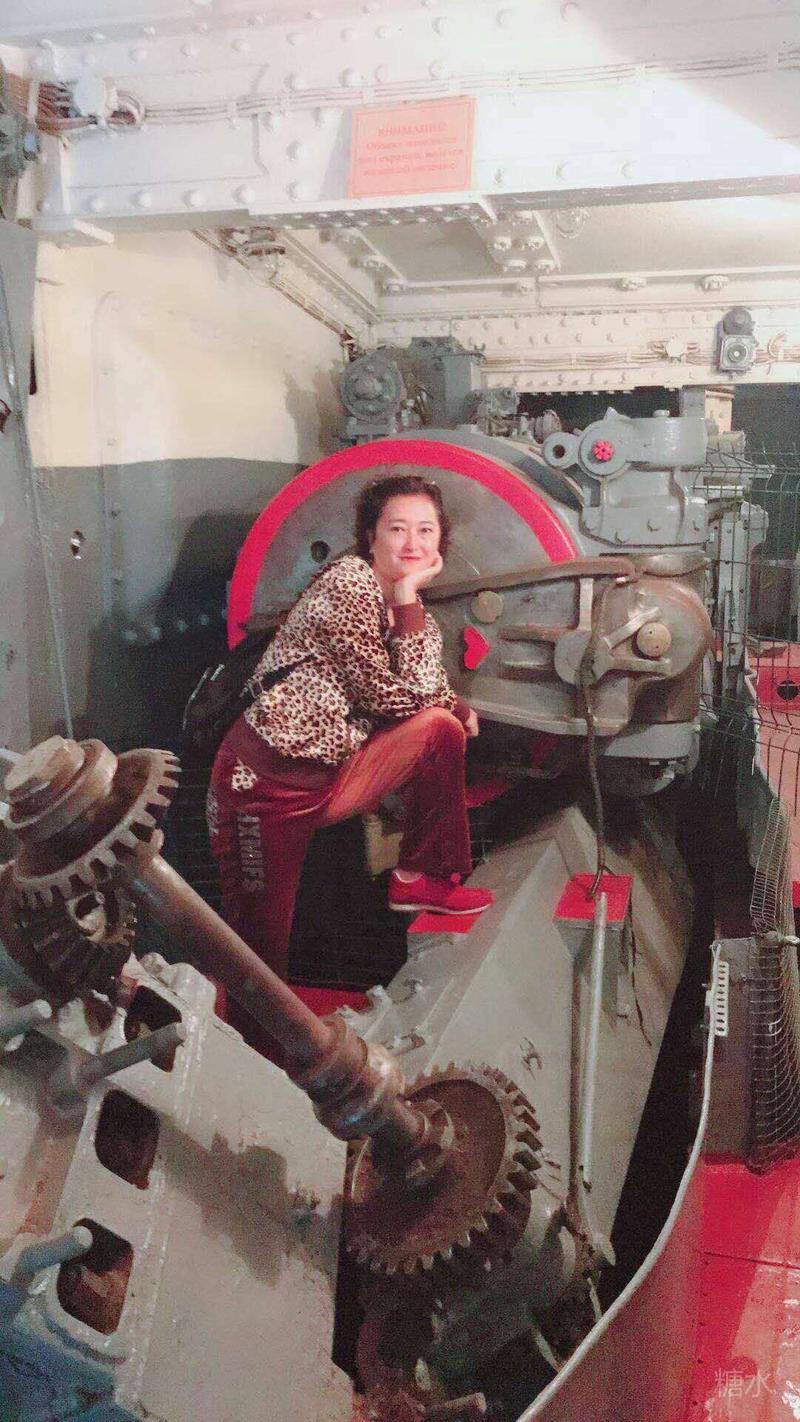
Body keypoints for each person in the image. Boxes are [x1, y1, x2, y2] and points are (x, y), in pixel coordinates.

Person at [206, 473, 494, 982]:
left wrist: (407, 596)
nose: (412, 543)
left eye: (425, 531)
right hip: (264, 788)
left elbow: (424, 688)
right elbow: (386, 697)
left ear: (440, 543)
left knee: (439, 730)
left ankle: (419, 878)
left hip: (331, 777)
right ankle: (251, 1030)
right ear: (370, 537)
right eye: (397, 529)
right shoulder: (348, 584)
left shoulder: (408, 607)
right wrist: (454, 703)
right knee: (258, 951)